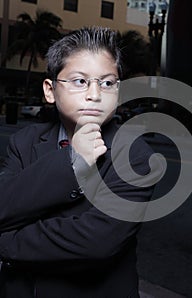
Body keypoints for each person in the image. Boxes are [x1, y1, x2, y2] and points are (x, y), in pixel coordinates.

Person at [0, 27, 162, 298]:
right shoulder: (24, 142)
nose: (95, 94)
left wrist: (5, 242)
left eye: (107, 83)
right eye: (79, 81)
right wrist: (72, 160)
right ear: (50, 90)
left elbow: (97, 241)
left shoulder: (136, 156)